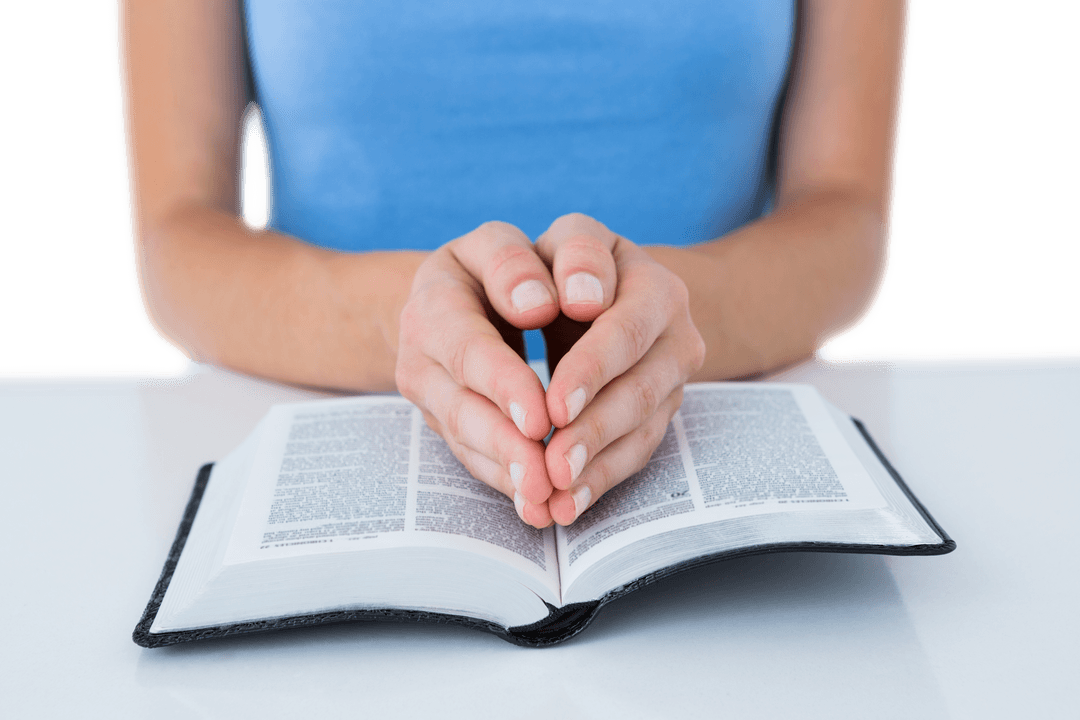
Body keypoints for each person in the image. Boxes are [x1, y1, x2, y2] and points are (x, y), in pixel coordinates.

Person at [117, 1, 908, 529]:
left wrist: (663, 326)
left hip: (714, 442)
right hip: (327, 451)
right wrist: (415, 328)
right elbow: (175, 239)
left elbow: (848, 214)